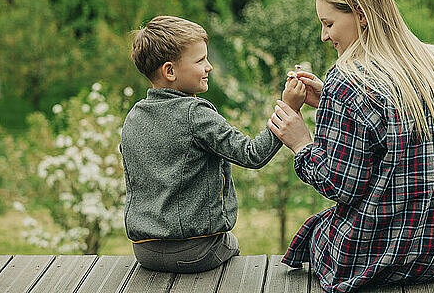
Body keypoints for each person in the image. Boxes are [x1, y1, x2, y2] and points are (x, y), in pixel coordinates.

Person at [268, 0, 434, 292]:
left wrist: (300, 142)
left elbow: (340, 186)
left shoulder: (348, 79)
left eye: (329, 23)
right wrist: (329, 102)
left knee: (317, 236)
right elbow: (399, 129)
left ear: (361, 15)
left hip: (381, 259)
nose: (324, 36)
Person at [120, 15, 306, 273]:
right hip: (196, 251)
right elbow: (252, 155)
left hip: (144, 251)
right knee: (231, 244)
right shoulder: (195, 113)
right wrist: (289, 108)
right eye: (200, 60)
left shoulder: (133, 116)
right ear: (170, 71)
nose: (209, 67)